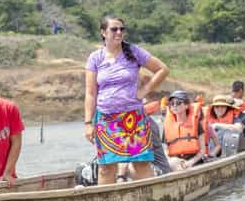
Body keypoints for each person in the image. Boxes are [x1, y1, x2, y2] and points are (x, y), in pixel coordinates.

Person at [84, 16, 169, 184]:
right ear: (103, 32)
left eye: (122, 29)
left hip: (133, 120)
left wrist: (144, 90)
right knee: (106, 167)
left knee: (141, 164)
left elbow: (162, 69)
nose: (119, 32)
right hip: (106, 120)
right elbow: (90, 93)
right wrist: (88, 123)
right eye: (114, 29)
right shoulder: (95, 58)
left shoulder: (134, 52)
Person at [162, 90, 207, 170]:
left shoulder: (196, 124)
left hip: (194, 162)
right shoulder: (167, 127)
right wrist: (173, 161)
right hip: (175, 164)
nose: (175, 105)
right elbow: (165, 151)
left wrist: (190, 163)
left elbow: (202, 150)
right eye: (172, 103)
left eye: (178, 103)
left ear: (186, 106)